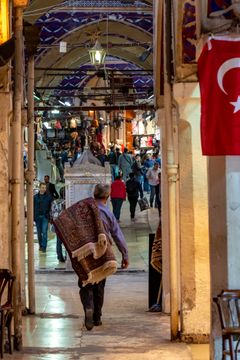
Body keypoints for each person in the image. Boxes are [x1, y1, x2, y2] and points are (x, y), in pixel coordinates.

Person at [79, 184, 129, 330]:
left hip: (85, 253)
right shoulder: (108, 213)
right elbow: (117, 235)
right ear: (107, 197)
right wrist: (124, 255)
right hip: (102, 253)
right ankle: (97, 317)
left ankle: (88, 307)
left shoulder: (83, 211)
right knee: (99, 285)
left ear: (93, 195)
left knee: (85, 283)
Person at [34, 182, 53, 252]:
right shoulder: (35, 197)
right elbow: (32, 208)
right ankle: (41, 246)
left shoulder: (49, 197)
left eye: (45, 188)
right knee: (39, 233)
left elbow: (51, 208)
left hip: (45, 217)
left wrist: (50, 218)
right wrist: (33, 217)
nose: (44, 189)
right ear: (39, 188)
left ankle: (44, 247)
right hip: (37, 217)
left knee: (44, 232)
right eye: (42, 187)